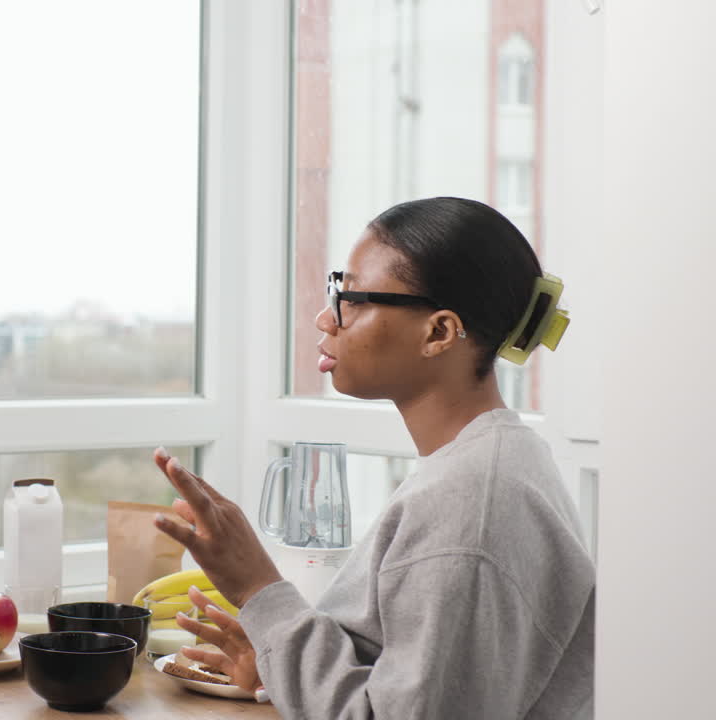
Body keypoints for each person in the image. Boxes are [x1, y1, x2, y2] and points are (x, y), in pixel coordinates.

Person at [153, 197, 594, 719]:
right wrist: (280, 664)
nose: (326, 317)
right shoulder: (494, 461)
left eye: (352, 297)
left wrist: (257, 586)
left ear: (438, 333)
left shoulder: (469, 501)